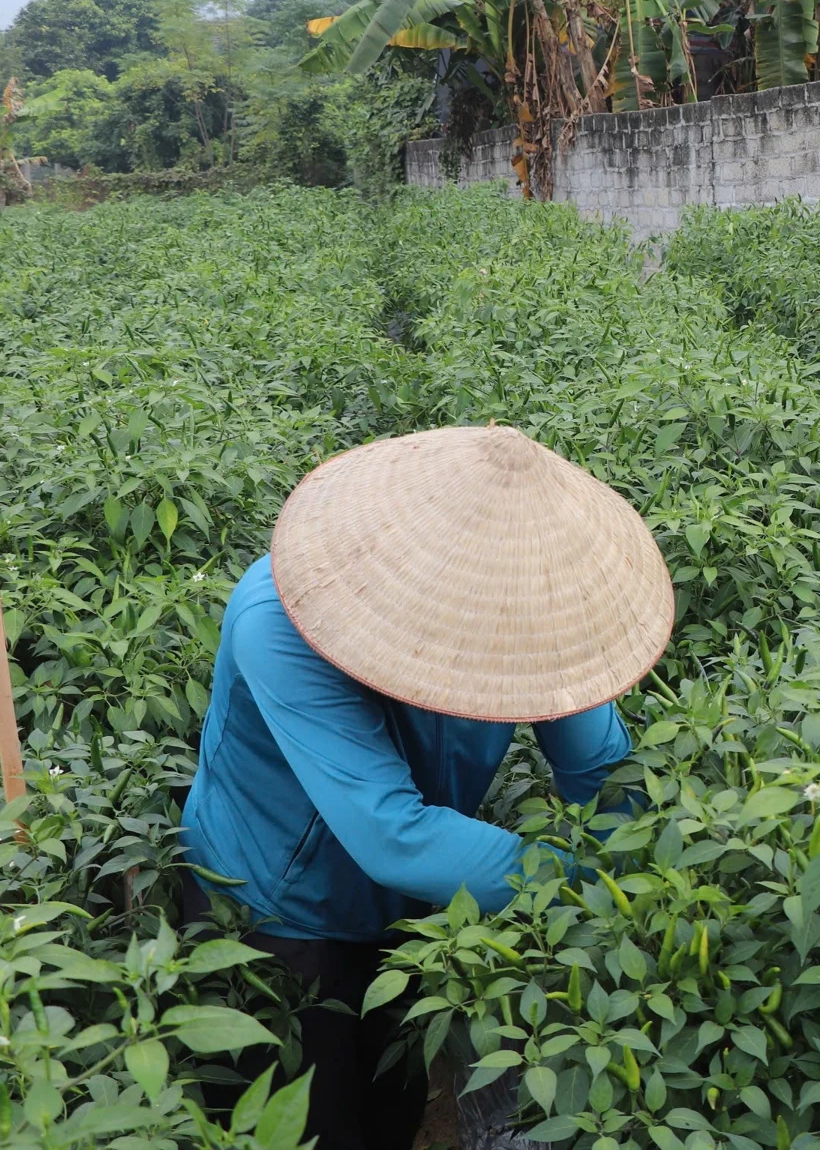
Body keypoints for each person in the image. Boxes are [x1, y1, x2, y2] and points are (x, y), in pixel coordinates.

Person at [180, 424, 674, 1150]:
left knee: (393, 1098)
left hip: (419, 899)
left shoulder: (533, 615)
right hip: (275, 902)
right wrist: (581, 886)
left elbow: (599, 770)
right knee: (300, 1119)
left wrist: (633, 875)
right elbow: (394, 835)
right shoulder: (283, 620)